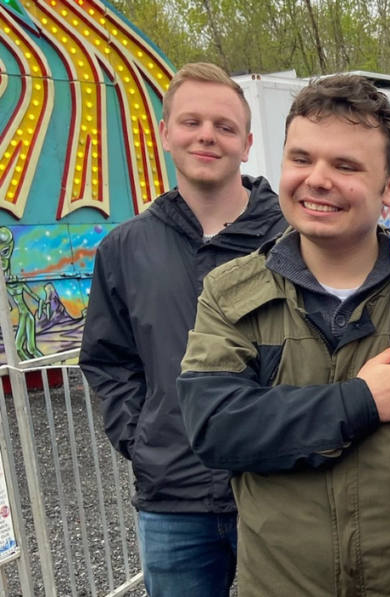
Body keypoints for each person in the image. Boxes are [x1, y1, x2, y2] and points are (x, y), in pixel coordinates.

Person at [175, 74, 390, 596]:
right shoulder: (231, 294)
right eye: (302, 159)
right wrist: (361, 401)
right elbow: (216, 428)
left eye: (346, 166)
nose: (317, 180)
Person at [79, 63, 287, 596]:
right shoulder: (126, 249)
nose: (206, 136)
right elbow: (108, 359)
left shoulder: (292, 240)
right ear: (165, 131)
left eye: (223, 125)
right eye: (191, 121)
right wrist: (143, 439)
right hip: (173, 498)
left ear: (246, 143)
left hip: (283, 488)